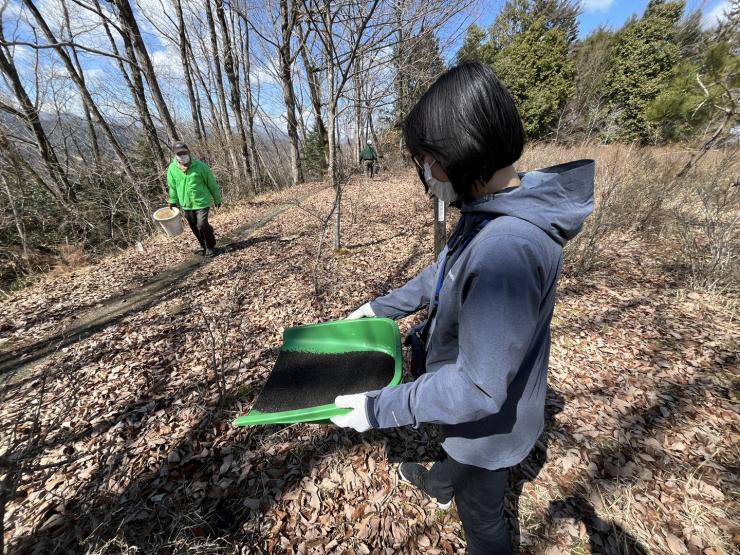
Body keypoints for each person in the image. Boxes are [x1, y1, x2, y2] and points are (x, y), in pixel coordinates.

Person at [330, 61, 594, 554]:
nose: (424, 174)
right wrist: (380, 308)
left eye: (425, 159)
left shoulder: (505, 247)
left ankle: (462, 499)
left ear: (457, 155)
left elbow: (477, 387)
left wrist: (376, 407)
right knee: (461, 463)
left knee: (485, 521)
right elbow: (445, 271)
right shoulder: (500, 204)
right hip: (479, 419)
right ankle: (439, 484)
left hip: (489, 430)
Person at [166, 142, 222, 257]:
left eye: (184, 152)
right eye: (179, 153)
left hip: (202, 201)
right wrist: (172, 200)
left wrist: (217, 198)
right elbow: (172, 186)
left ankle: (210, 247)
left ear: (189, 152)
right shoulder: (172, 168)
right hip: (186, 203)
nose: (182, 155)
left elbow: (212, 183)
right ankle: (204, 246)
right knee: (194, 226)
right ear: (175, 155)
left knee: (201, 224)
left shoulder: (200, 166)